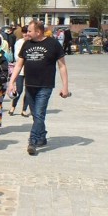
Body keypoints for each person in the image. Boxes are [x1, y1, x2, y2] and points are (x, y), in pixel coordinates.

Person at [7, 20, 70, 156]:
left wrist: (65, 87)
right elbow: (18, 65)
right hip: (29, 85)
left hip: (45, 85)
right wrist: (11, 82)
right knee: (36, 115)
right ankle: (41, 136)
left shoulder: (53, 44)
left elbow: (62, 66)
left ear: (38, 32)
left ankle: (33, 141)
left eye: (29, 31)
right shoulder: (27, 44)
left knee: (39, 114)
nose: (27, 33)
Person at [9, 25, 30, 117]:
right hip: (20, 70)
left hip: (30, 70)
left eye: (28, 33)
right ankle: (13, 106)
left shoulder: (33, 43)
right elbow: (17, 56)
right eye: (24, 33)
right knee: (19, 89)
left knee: (28, 90)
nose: (26, 35)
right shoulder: (19, 43)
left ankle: (24, 109)